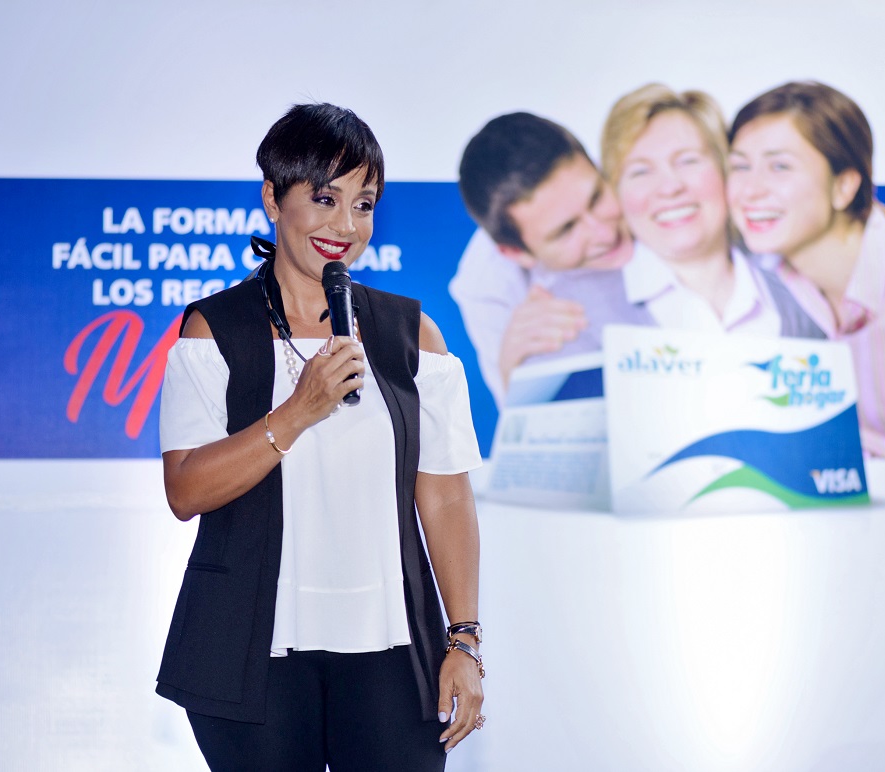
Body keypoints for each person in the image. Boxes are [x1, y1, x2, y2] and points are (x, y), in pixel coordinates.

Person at [155, 103, 485, 771]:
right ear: (273, 198)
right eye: (326, 198)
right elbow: (186, 489)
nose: (345, 225)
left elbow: (446, 500)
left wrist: (465, 641)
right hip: (252, 654)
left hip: (394, 650)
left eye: (364, 204)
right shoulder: (214, 330)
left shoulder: (413, 336)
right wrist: (298, 411)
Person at [728, 81, 885, 457]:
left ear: (844, 187)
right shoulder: (774, 271)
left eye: (779, 166)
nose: (749, 190)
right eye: (739, 166)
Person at [596, 83, 825, 341]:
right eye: (640, 171)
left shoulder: (803, 289)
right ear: (616, 192)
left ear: (726, 168)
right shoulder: (574, 311)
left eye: (688, 161)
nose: (670, 187)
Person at [451, 112, 632, 404]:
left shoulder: (636, 171)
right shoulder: (486, 283)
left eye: (597, 197)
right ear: (517, 253)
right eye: (567, 229)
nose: (605, 234)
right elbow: (518, 409)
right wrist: (512, 370)